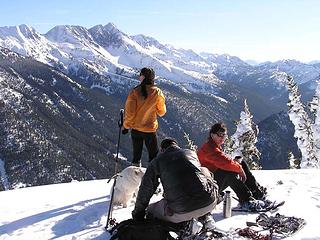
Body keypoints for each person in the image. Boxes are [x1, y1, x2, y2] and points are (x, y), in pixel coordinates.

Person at [132, 138, 218, 226]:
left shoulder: (157, 161)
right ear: (177, 146)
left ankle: (182, 227)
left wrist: (138, 213)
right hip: (209, 202)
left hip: (181, 211)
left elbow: (146, 189)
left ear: (162, 150)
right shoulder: (191, 153)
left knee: (151, 210)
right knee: (203, 170)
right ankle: (205, 216)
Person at [197, 123, 267, 211]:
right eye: (219, 135)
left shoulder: (213, 146)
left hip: (211, 183)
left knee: (240, 163)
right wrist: (240, 170)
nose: (222, 138)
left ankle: (257, 193)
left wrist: (239, 166)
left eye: (224, 135)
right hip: (206, 190)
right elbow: (225, 163)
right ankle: (246, 201)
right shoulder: (209, 149)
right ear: (212, 135)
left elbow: (226, 161)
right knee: (228, 172)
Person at [122, 67, 166, 166]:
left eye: (140, 75)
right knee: (153, 157)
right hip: (150, 130)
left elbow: (130, 113)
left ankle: (135, 176)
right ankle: (153, 179)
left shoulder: (135, 92)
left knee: (136, 157)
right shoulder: (157, 92)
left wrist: (126, 126)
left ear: (143, 77)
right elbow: (162, 112)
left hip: (136, 130)